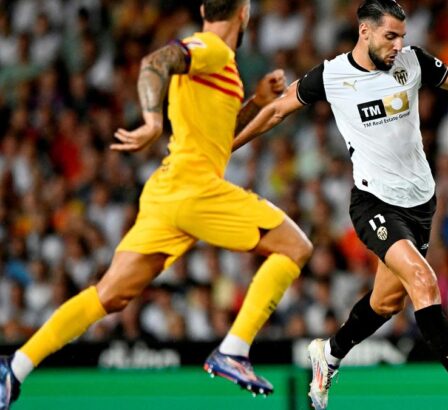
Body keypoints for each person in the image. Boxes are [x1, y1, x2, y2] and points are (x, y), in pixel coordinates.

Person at [0, 1, 313, 408]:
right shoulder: (212, 49)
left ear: (203, 8)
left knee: (108, 295)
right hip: (194, 189)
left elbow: (219, 142)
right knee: (296, 247)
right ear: (244, 12)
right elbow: (155, 62)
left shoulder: (219, 67)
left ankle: (16, 367)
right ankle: (234, 349)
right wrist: (151, 120)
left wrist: (256, 103)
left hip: (168, 191)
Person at [233, 1, 448, 409]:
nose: (399, 45)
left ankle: (328, 354)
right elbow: (275, 111)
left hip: (421, 203)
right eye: (390, 36)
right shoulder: (331, 75)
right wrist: (228, 146)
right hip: (373, 202)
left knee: (386, 303)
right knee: (423, 281)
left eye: (402, 36)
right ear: (365, 31)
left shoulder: (412, 62)